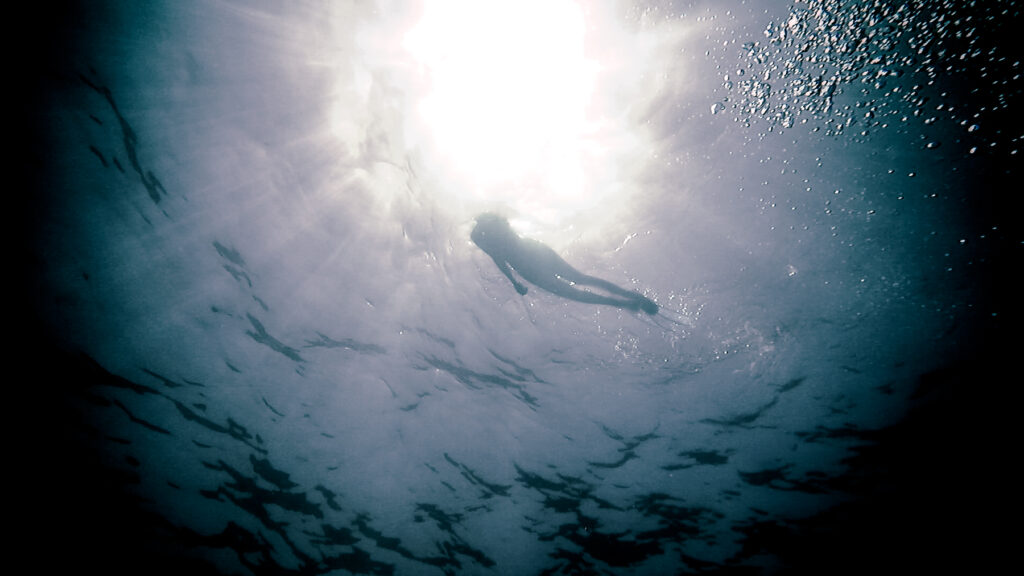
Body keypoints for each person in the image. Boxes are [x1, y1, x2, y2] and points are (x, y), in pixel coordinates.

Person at [471, 213, 658, 315]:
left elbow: (497, 257)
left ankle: (624, 303)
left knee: (574, 290)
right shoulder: (491, 222)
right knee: (579, 281)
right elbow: (499, 250)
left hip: (528, 261)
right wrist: (514, 281)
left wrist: (514, 282)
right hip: (533, 252)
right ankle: (626, 300)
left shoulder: (481, 233)